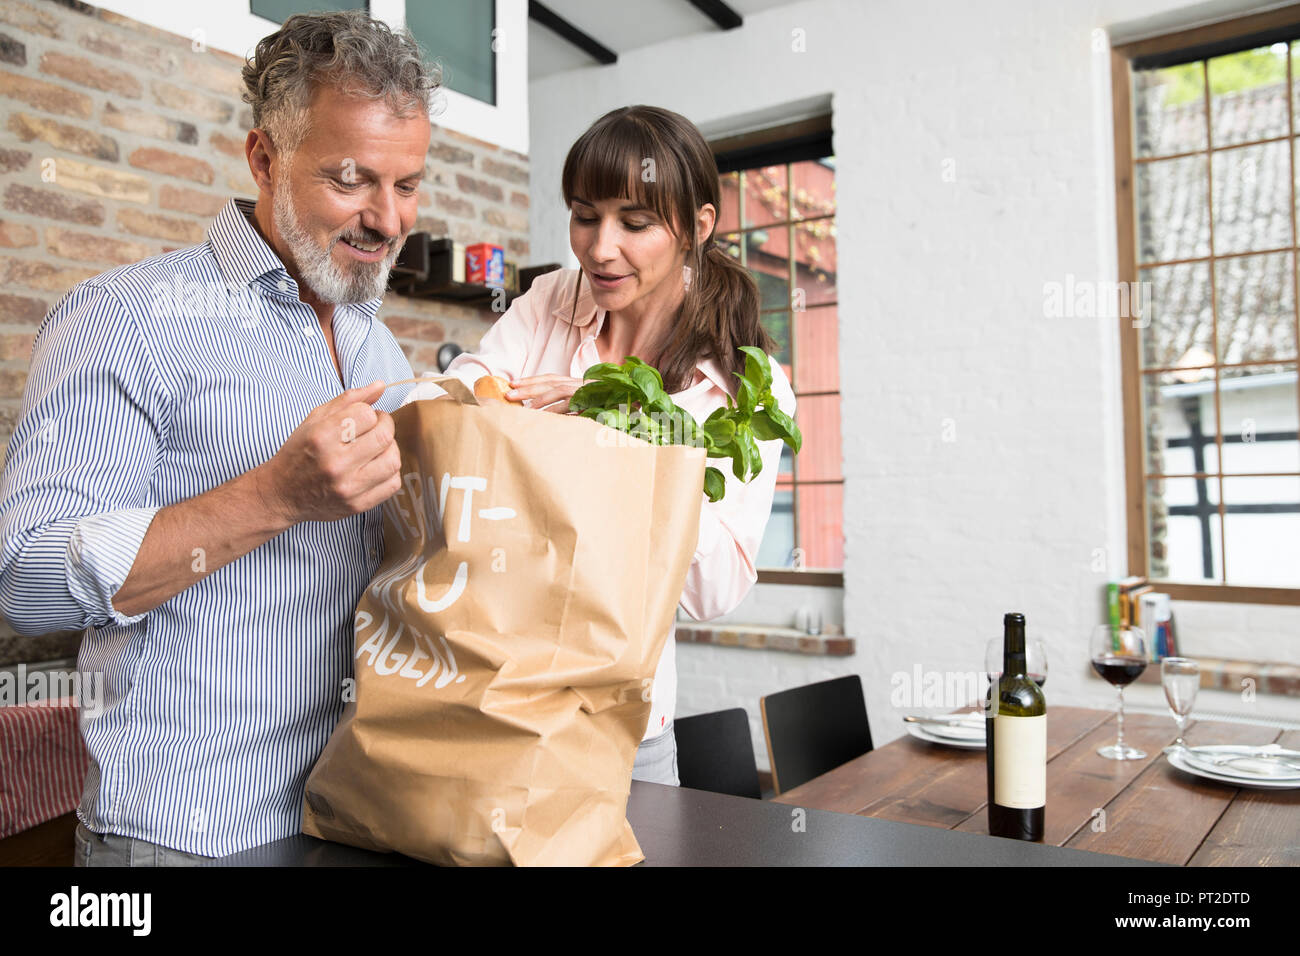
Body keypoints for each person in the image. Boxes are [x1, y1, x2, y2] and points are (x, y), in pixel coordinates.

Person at [0, 11, 436, 863]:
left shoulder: (375, 341)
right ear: (264, 158)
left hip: (348, 812)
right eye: (352, 180)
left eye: (409, 184)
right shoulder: (123, 319)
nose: (388, 219)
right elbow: (25, 583)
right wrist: (274, 496)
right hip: (187, 832)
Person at [421, 105, 796, 784]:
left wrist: (611, 432)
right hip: (484, 691)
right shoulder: (551, 300)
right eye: (585, 215)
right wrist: (514, 416)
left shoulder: (744, 391)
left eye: (636, 222)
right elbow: (459, 400)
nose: (599, 248)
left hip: (619, 726)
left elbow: (711, 591)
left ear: (698, 226)